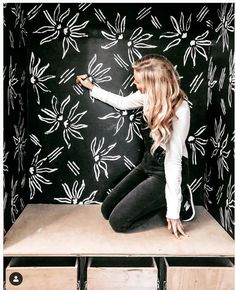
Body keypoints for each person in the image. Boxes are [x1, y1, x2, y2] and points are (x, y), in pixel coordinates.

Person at [76, 54, 195, 239]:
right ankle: (163, 198)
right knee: (106, 210)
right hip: (148, 162)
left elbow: (173, 161)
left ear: (155, 83)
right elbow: (122, 103)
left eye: (139, 81)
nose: (135, 84)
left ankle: (178, 198)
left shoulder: (181, 109)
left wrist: (173, 212)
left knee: (118, 222)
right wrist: (92, 88)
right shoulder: (147, 95)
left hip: (167, 170)